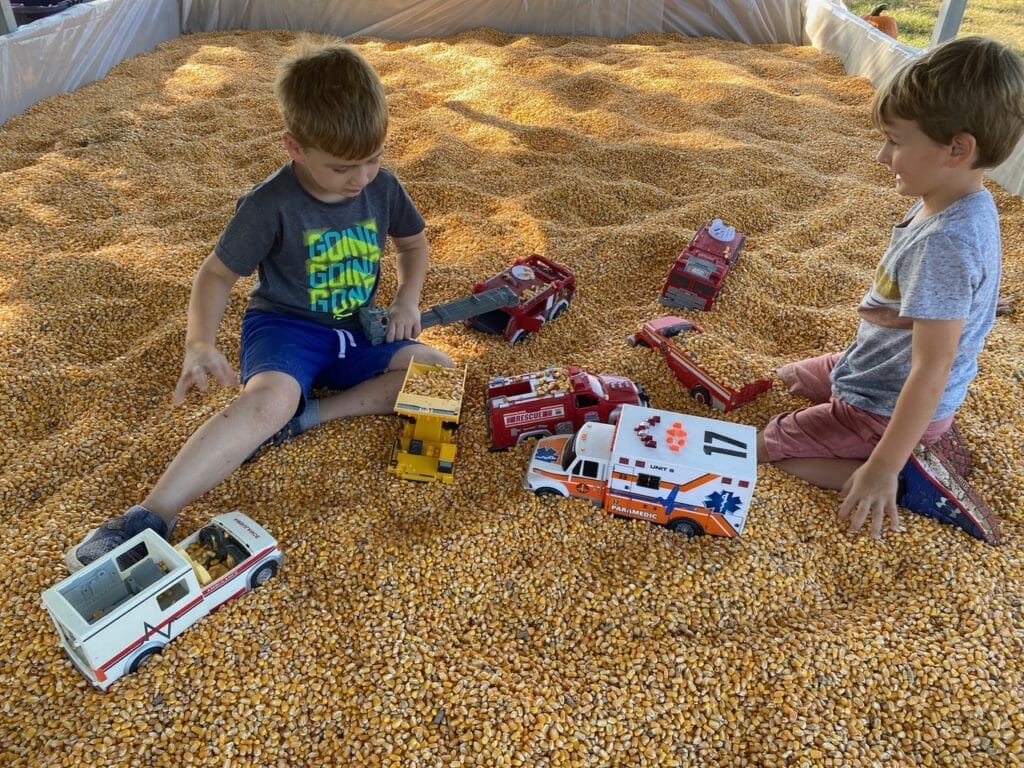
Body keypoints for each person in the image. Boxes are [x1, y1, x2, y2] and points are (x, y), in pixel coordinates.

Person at [65, 45, 453, 570]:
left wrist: (407, 299)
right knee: (268, 400)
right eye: (342, 167)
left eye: (374, 158)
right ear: (294, 147)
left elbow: (413, 243)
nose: (361, 178)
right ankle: (150, 514)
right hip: (286, 327)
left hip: (359, 328)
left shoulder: (382, 186)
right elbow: (217, 274)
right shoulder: (269, 202)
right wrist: (199, 343)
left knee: (439, 373)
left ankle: (311, 415)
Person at [757, 36, 1024, 545]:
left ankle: (904, 477)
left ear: (957, 149)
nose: (884, 156)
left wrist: (883, 466)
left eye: (897, 141)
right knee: (791, 377)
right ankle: (903, 444)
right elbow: (959, 300)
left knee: (774, 446)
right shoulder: (961, 200)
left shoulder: (947, 241)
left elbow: (932, 366)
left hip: (883, 402)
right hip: (874, 361)